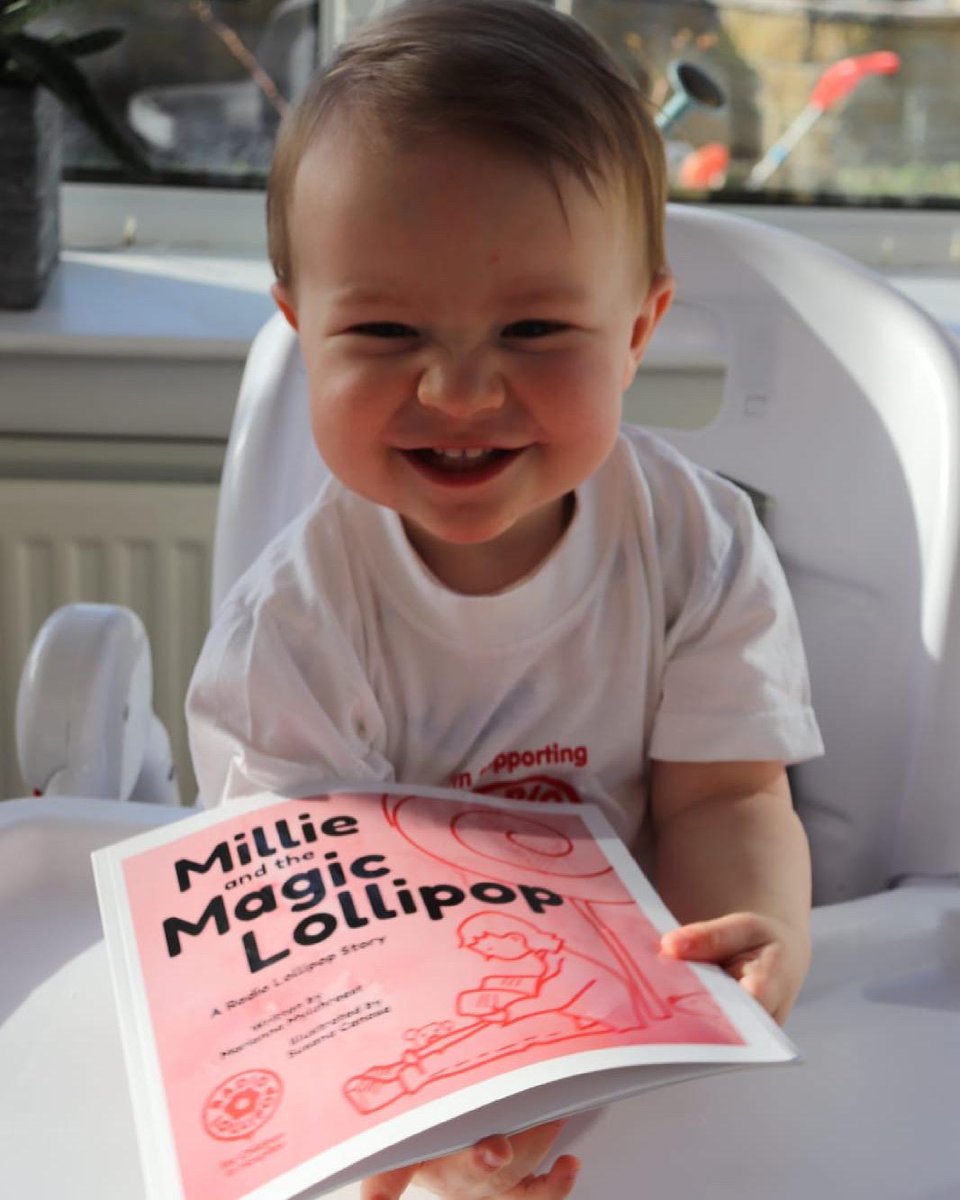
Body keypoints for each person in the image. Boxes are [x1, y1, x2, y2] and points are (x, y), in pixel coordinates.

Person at [187, 1, 824, 1196]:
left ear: (637, 331)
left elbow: (727, 797)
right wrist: (424, 1123)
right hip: (405, 1041)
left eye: (533, 328)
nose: (460, 390)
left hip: (638, 1026)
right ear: (303, 332)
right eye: (385, 330)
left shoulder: (698, 545)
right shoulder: (294, 633)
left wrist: (748, 938)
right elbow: (307, 933)